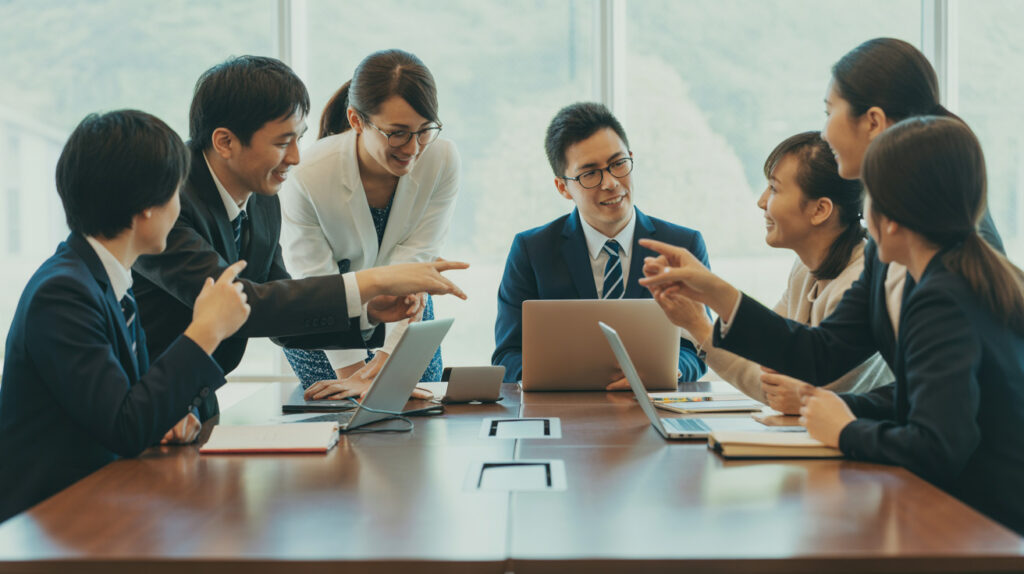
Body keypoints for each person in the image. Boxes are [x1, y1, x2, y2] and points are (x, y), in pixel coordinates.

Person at [639, 116, 1024, 535]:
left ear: (892, 214)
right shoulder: (947, 278)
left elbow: (937, 445)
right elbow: (910, 392)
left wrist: (846, 430)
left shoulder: (940, 296)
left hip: (984, 528)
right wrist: (830, 409)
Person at [131, 56, 468, 420]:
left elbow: (281, 311)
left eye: (299, 139)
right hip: (141, 395)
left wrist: (368, 311)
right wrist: (374, 281)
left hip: (194, 394)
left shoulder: (262, 200)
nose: (295, 157)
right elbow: (241, 305)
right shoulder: (163, 199)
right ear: (225, 142)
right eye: (282, 142)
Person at [0, 110, 251, 522]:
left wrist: (164, 419)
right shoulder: (62, 292)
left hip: (101, 502)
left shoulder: (102, 277)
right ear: (144, 209)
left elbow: (123, 407)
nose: (179, 207)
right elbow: (123, 426)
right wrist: (206, 329)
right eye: (174, 194)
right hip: (49, 520)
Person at [279, 49, 459, 400]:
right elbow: (314, 278)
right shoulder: (309, 174)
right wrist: (354, 376)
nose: (413, 148)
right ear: (356, 120)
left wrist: (389, 358)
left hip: (407, 309)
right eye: (397, 133)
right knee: (343, 416)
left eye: (424, 130)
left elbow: (414, 263)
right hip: (323, 321)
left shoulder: (442, 159)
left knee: (414, 418)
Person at [492, 102, 707, 387]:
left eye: (618, 164)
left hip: (654, 409)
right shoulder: (532, 250)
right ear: (562, 187)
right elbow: (507, 355)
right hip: (565, 415)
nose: (611, 183)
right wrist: (562, 378)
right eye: (590, 173)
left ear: (631, 158)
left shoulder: (682, 245)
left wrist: (668, 371)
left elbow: (699, 347)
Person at [675, 131, 890, 409]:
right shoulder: (805, 269)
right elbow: (764, 364)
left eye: (774, 189)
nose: (762, 201)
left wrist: (701, 325)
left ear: (820, 209)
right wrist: (698, 324)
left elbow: (790, 398)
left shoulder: (857, 280)